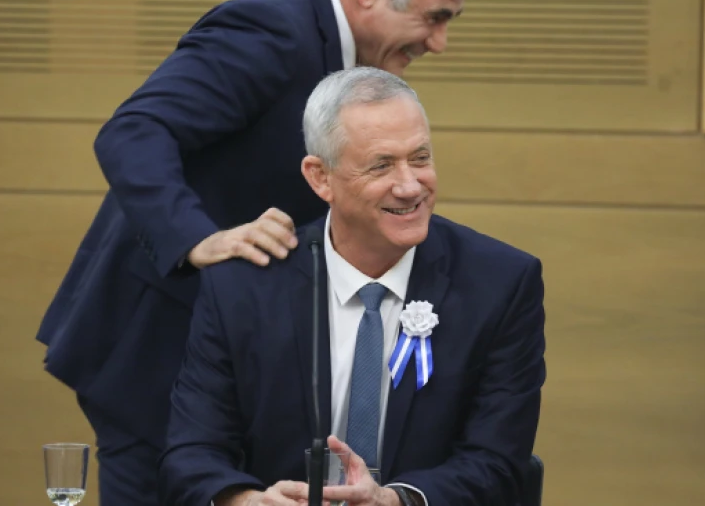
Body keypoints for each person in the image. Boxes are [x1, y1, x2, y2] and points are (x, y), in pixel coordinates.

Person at [35, 0, 490, 504]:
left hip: (237, 358)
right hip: (156, 346)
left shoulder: (342, 55)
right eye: (435, 17)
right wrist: (199, 238)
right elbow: (135, 131)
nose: (439, 42)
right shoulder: (272, 29)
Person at [159, 66, 546, 506]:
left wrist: (395, 501)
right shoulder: (245, 286)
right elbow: (191, 455)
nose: (409, 185)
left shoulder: (499, 284)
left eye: (420, 158)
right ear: (320, 177)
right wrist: (246, 501)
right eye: (382, 165)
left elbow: (497, 462)